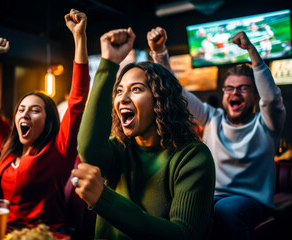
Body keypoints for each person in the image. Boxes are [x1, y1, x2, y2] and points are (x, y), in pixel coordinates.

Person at [71, 27, 215, 240]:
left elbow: (183, 234)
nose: (123, 98)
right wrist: (109, 63)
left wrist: (104, 199)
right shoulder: (121, 146)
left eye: (136, 89)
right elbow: (88, 150)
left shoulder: (193, 157)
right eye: (119, 91)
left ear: (161, 100)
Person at [149, 28, 286, 240]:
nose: (235, 93)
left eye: (243, 88)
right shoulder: (212, 118)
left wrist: (252, 51)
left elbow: (272, 99)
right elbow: (177, 93)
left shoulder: (267, 124)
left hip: (250, 201)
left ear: (256, 94)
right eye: (229, 88)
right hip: (211, 196)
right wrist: (159, 53)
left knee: (225, 209)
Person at [0, 9, 90, 230]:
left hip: (44, 236)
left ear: (49, 120)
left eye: (35, 110)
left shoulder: (59, 150)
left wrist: (79, 37)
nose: (24, 114)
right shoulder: (9, 144)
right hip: (2, 231)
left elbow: (77, 99)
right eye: (21, 109)